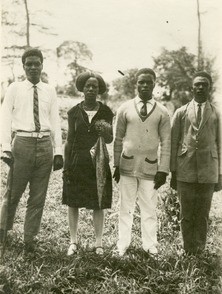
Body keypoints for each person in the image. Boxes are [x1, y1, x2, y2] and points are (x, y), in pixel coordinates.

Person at [0, 48, 63, 253]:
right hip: (22, 144)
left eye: (37, 63)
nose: (33, 67)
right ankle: (2, 231)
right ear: (24, 66)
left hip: (44, 145)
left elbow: (55, 120)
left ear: (42, 65)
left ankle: (29, 239)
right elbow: (5, 118)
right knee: (13, 193)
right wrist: (6, 148)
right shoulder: (14, 89)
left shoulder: (49, 90)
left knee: (38, 197)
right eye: (29, 64)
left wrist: (58, 151)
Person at [113, 68, 171, 256]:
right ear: (136, 84)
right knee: (125, 207)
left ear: (154, 84)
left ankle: (150, 246)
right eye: (141, 82)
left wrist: (163, 170)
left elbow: (167, 143)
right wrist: (116, 164)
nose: (145, 85)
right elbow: (118, 138)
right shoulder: (125, 108)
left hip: (150, 167)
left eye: (148, 82)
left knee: (149, 208)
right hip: (127, 166)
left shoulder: (162, 112)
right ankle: (122, 245)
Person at [170, 71, 222, 255]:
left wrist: (220, 173)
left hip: (208, 170)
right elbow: (173, 142)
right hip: (186, 170)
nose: (200, 88)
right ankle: (187, 248)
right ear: (192, 88)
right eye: (197, 85)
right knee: (186, 214)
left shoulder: (216, 113)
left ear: (209, 88)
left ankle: (199, 249)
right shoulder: (181, 112)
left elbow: (220, 143)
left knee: (202, 214)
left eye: (204, 85)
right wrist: (173, 172)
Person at [62, 71, 113, 256]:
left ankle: (99, 243)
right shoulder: (74, 112)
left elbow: (109, 139)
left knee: (98, 202)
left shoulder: (106, 111)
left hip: (97, 162)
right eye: (88, 86)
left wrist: (105, 130)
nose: (91, 89)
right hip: (77, 161)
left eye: (95, 86)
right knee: (72, 201)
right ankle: (73, 242)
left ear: (99, 90)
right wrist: (67, 166)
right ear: (82, 89)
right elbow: (69, 140)